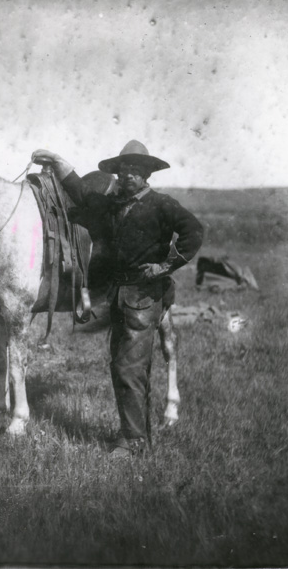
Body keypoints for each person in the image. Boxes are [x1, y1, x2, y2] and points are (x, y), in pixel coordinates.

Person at [32, 140, 204, 458]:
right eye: (123, 170)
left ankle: (135, 441)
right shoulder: (111, 206)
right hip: (119, 298)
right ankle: (132, 433)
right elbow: (82, 194)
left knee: (129, 368)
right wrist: (58, 162)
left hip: (145, 297)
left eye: (135, 171)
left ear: (147, 175)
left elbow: (194, 231)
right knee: (120, 366)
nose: (127, 176)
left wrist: (166, 265)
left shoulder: (162, 205)